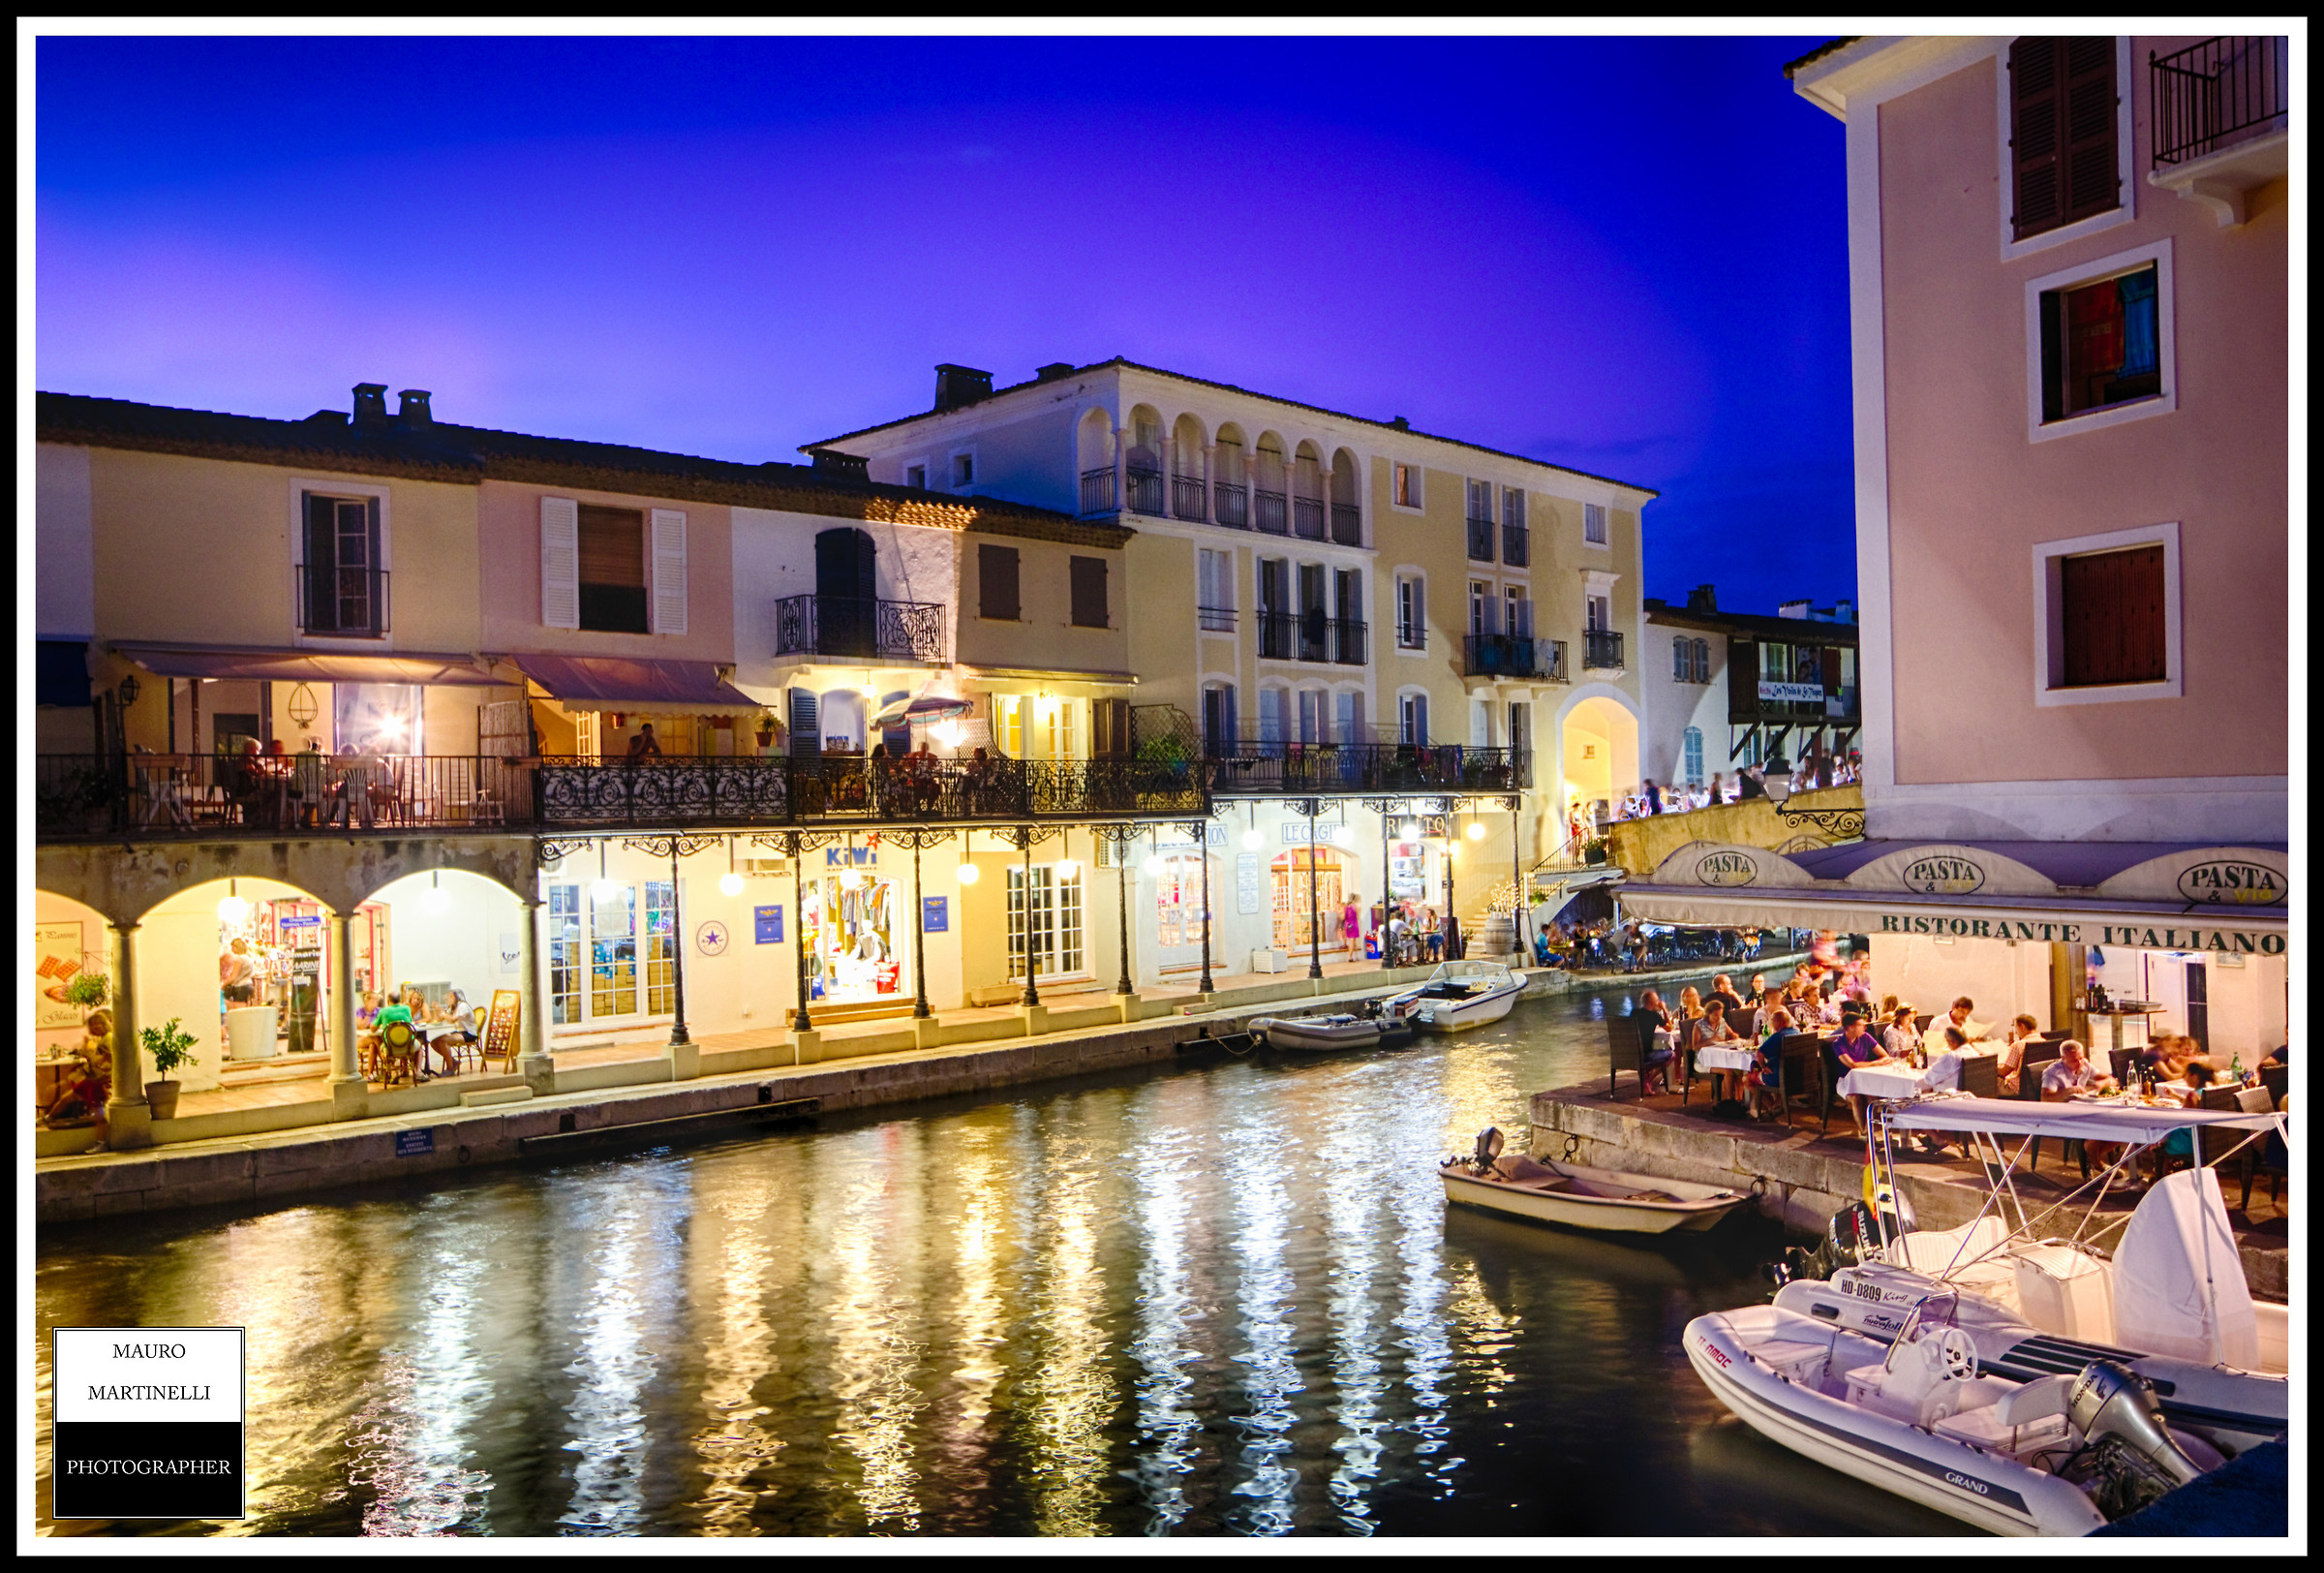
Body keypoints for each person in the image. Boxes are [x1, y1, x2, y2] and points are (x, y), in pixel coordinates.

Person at [1832, 1008, 1895, 1135]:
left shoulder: (1865, 1037)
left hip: (1865, 1078)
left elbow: (1884, 1055)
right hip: (1846, 1080)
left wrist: (1879, 1061)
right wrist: (1875, 1063)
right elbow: (1852, 1065)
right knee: (1856, 1098)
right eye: (1860, 1025)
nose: (1865, 1028)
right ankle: (1864, 1132)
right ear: (1850, 1028)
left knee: (1873, 1095)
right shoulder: (1839, 1043)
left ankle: (1875, 1128)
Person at [1742, 1006, 1796, 1119]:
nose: (1771, 1024)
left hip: (1779, 1077)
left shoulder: (1778, 1036)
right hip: (1796, 1076)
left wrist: (1763, 1067)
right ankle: (1777, 1104)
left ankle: (1772, 1107)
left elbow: (1760, 1054)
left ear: (1779, 1023)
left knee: (1747, 1079)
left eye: (1772, 1021)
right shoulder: (1797, 1032)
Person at [1635, 990, 1677, 1095]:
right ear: (1652, 1002)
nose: (1658, 1001)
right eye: (1657, 1000)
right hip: (1647, 1054)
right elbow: (1669, 1028)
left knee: (1661, 1046)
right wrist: (1664, 1008)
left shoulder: (1634, 1012)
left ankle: (1645, 1079)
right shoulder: (1654, 1015)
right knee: (1672, 1053)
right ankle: (1648, 1079)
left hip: (1633, 1052)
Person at [1922, 996, 1990, 1058]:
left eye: (1967, 1013)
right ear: (1953, 1008)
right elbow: (1931, 1047)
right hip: (1946, 1057)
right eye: (1962, 1012)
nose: (1964, 1016)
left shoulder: (1967, 1020)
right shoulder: (1938, 1022)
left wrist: (1974, 1040)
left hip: (1965, 1054)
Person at [1997, 1013, 2041, 1095]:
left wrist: (1991, 1068)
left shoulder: (2019, 1045)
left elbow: (2004, 1072)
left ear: (2022, 1026)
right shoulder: (2043, 1041)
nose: (2016, 1032)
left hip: (2015, 1088)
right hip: (2035, 1086)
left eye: (2015, 1027)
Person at [220, 936, 257, 1005]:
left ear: (237, 947)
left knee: (238, 1009)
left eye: (233, 947)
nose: (231, 950)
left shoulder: (239, 959)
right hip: (248, 985)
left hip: (241, 987)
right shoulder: (248, 958)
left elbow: (234, 977)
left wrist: (223, 985)